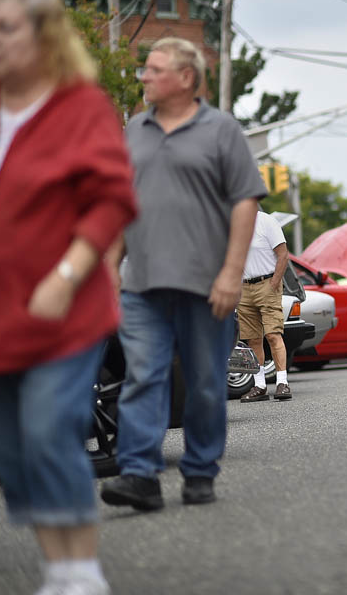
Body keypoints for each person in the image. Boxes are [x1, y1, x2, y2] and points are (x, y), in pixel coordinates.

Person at [0, 0, 137, 595]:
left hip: (64, 309)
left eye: (7, 28)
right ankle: (56, 566)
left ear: (43, 40)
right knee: (11, 451)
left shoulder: (79, 107)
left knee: (47, 430)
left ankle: (79, 572)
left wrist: (68, 273)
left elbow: (112, 199)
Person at [101, 37, 266, 510]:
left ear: (187, 77)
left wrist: (232, 274)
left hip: (206, 284)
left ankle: (199, 471)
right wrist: (111, 266)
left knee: (206, 384)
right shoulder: (135, 129)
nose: (144, 77)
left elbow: (245, 202)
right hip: (143, 285)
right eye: (144, 70)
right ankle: (139, 475)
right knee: (142, 378)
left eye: (154, 70)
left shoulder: (221, 130)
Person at [238, 210, 292, 402]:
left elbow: (283, 255)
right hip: (244, 287)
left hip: (267, 284)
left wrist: (274, 283)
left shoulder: (266, 221)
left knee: (273, 334)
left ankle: (282, 382)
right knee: (252, 339)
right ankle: (259, 386)